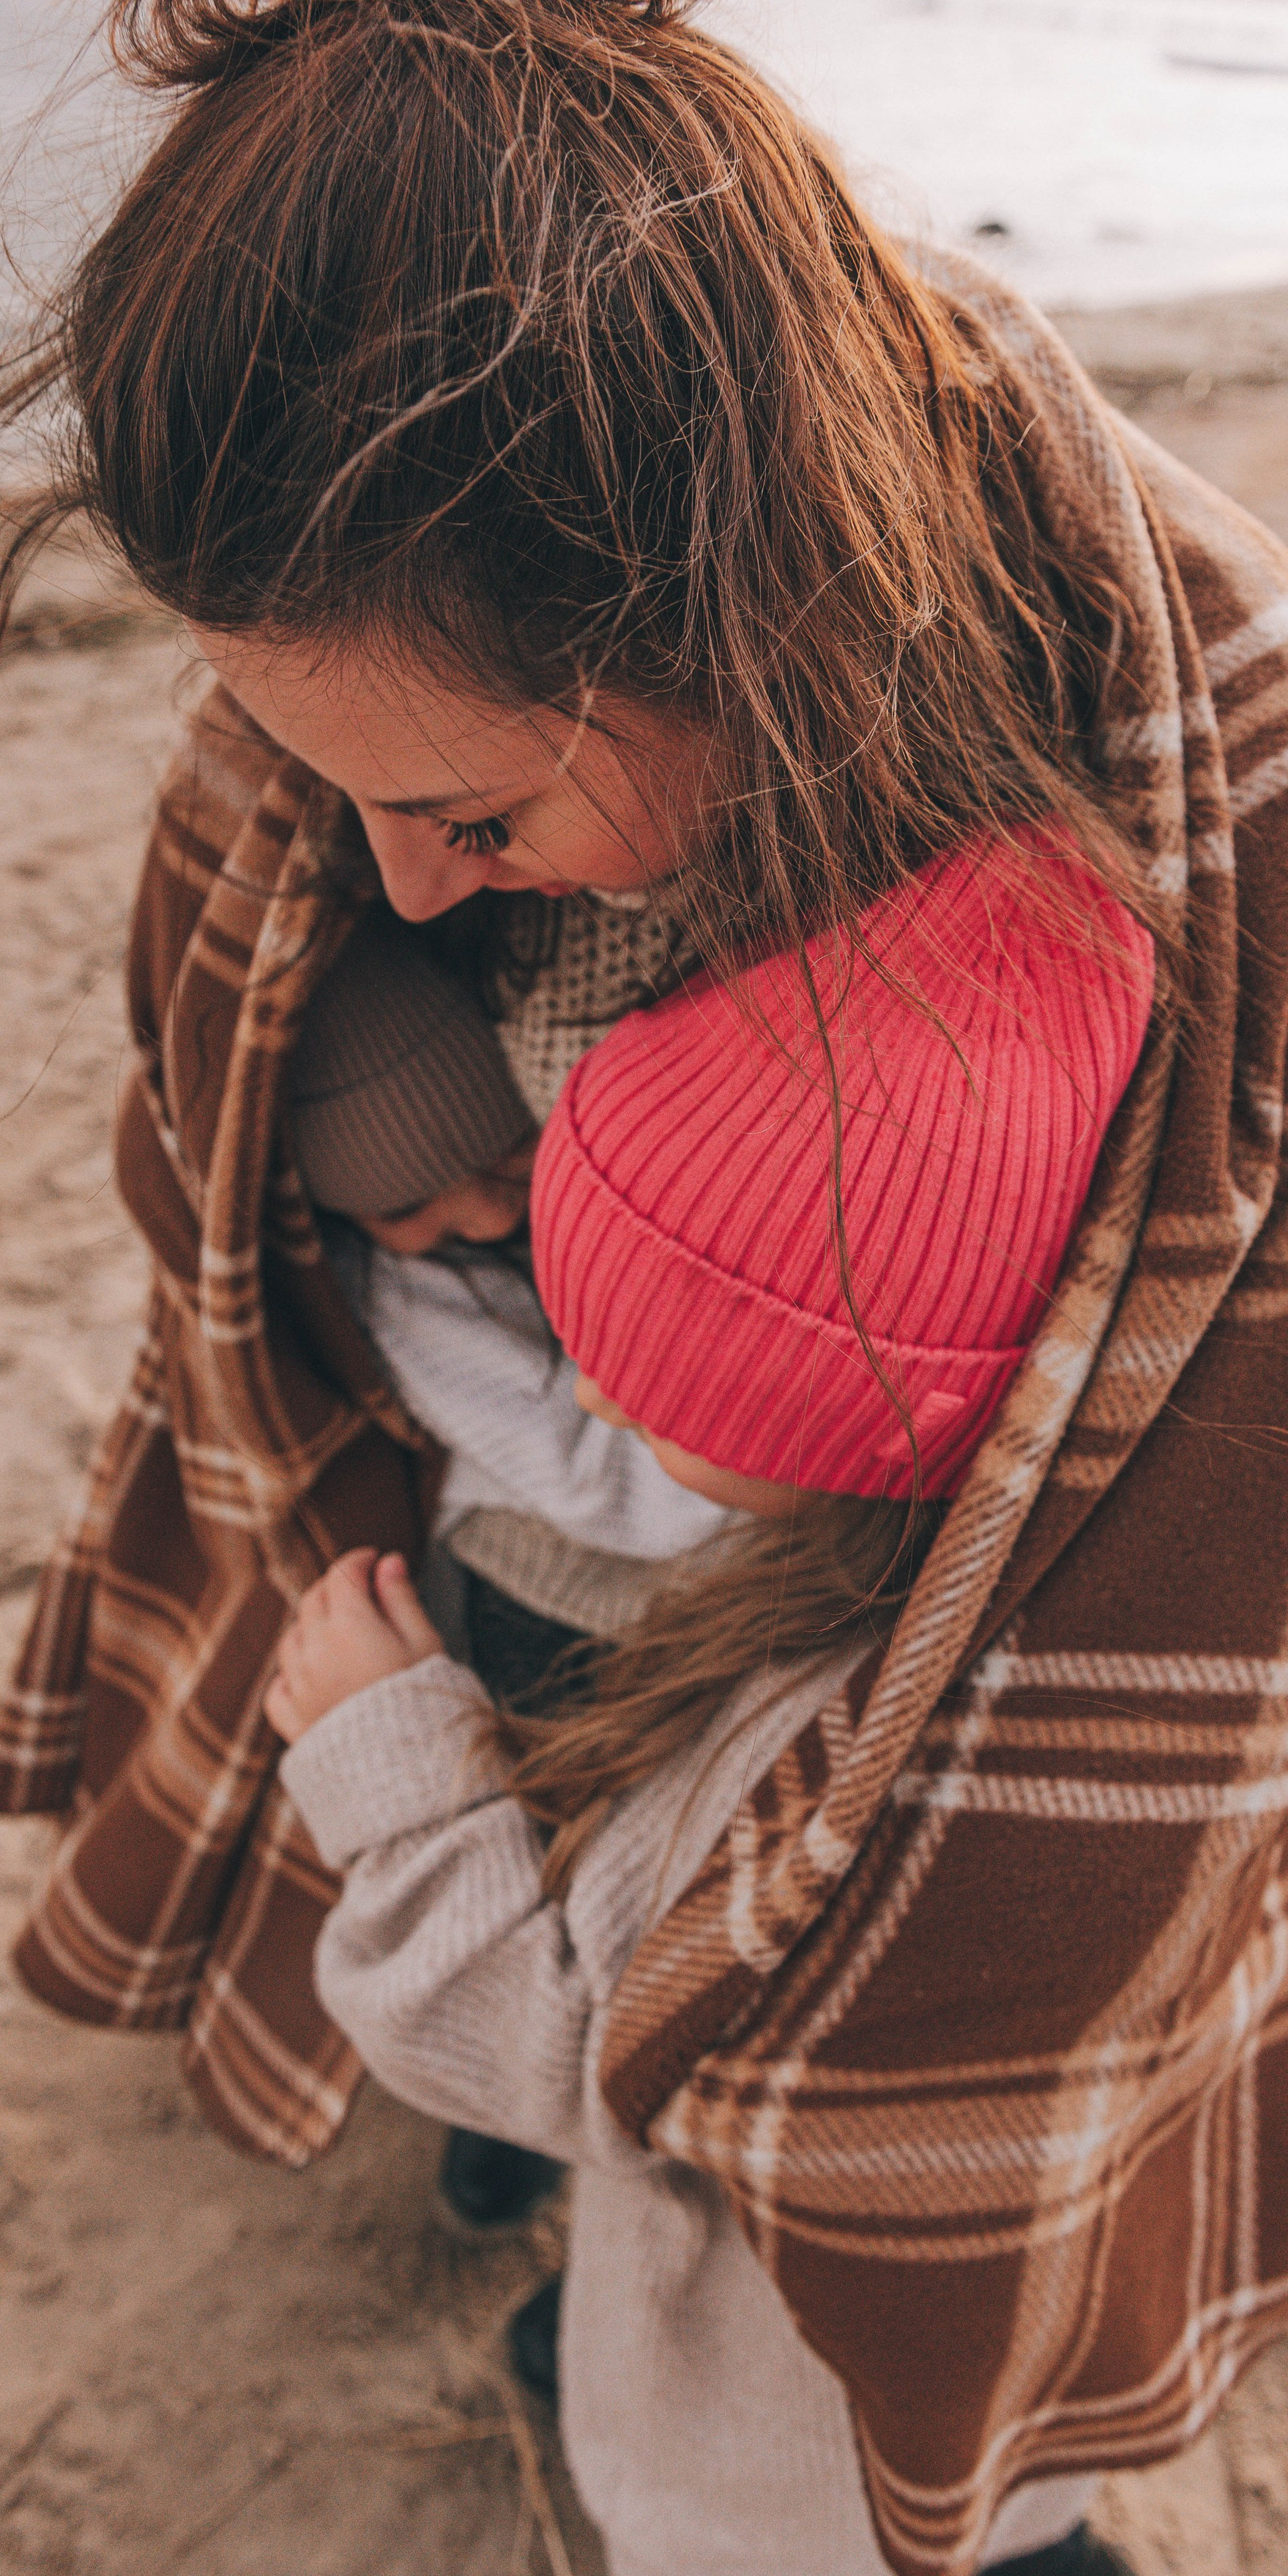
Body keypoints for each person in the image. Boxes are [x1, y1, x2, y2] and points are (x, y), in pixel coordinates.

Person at [0, 0, 1288, 2576]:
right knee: (528, 1848)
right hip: (522, 1601)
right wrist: (379, 1093)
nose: (392, 871)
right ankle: (554, 2184)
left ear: (754, 625)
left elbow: (1208, 1557)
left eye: (472, 813)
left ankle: (865, 2478)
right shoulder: (393, 612)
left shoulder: (1175, 783)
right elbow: (273, 1013)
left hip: (801, 1660)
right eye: (329, 780)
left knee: (764, 2111)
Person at [266, 842, 1156, 2576]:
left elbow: (564, 2049)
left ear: (832, 1402)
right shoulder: (1076, 1607)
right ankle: (1061, 2568)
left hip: (779, 2389)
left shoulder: (773, 1742)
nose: (592, 1390)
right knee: (1006, 2459)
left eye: (654, 1364)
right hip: (1026, 2319)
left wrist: (387, 1760)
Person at [286, 900, 728, 2225]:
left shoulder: (587, 1198)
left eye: (500, 1159)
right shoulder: (405, 1294)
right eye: (412, 1205)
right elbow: (598, 1485)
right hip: (539, 1583)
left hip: (681, 1556)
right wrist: (757, 1455)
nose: (478, 1212)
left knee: (653, 1848)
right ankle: (503, 2117)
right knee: (536, 1830)